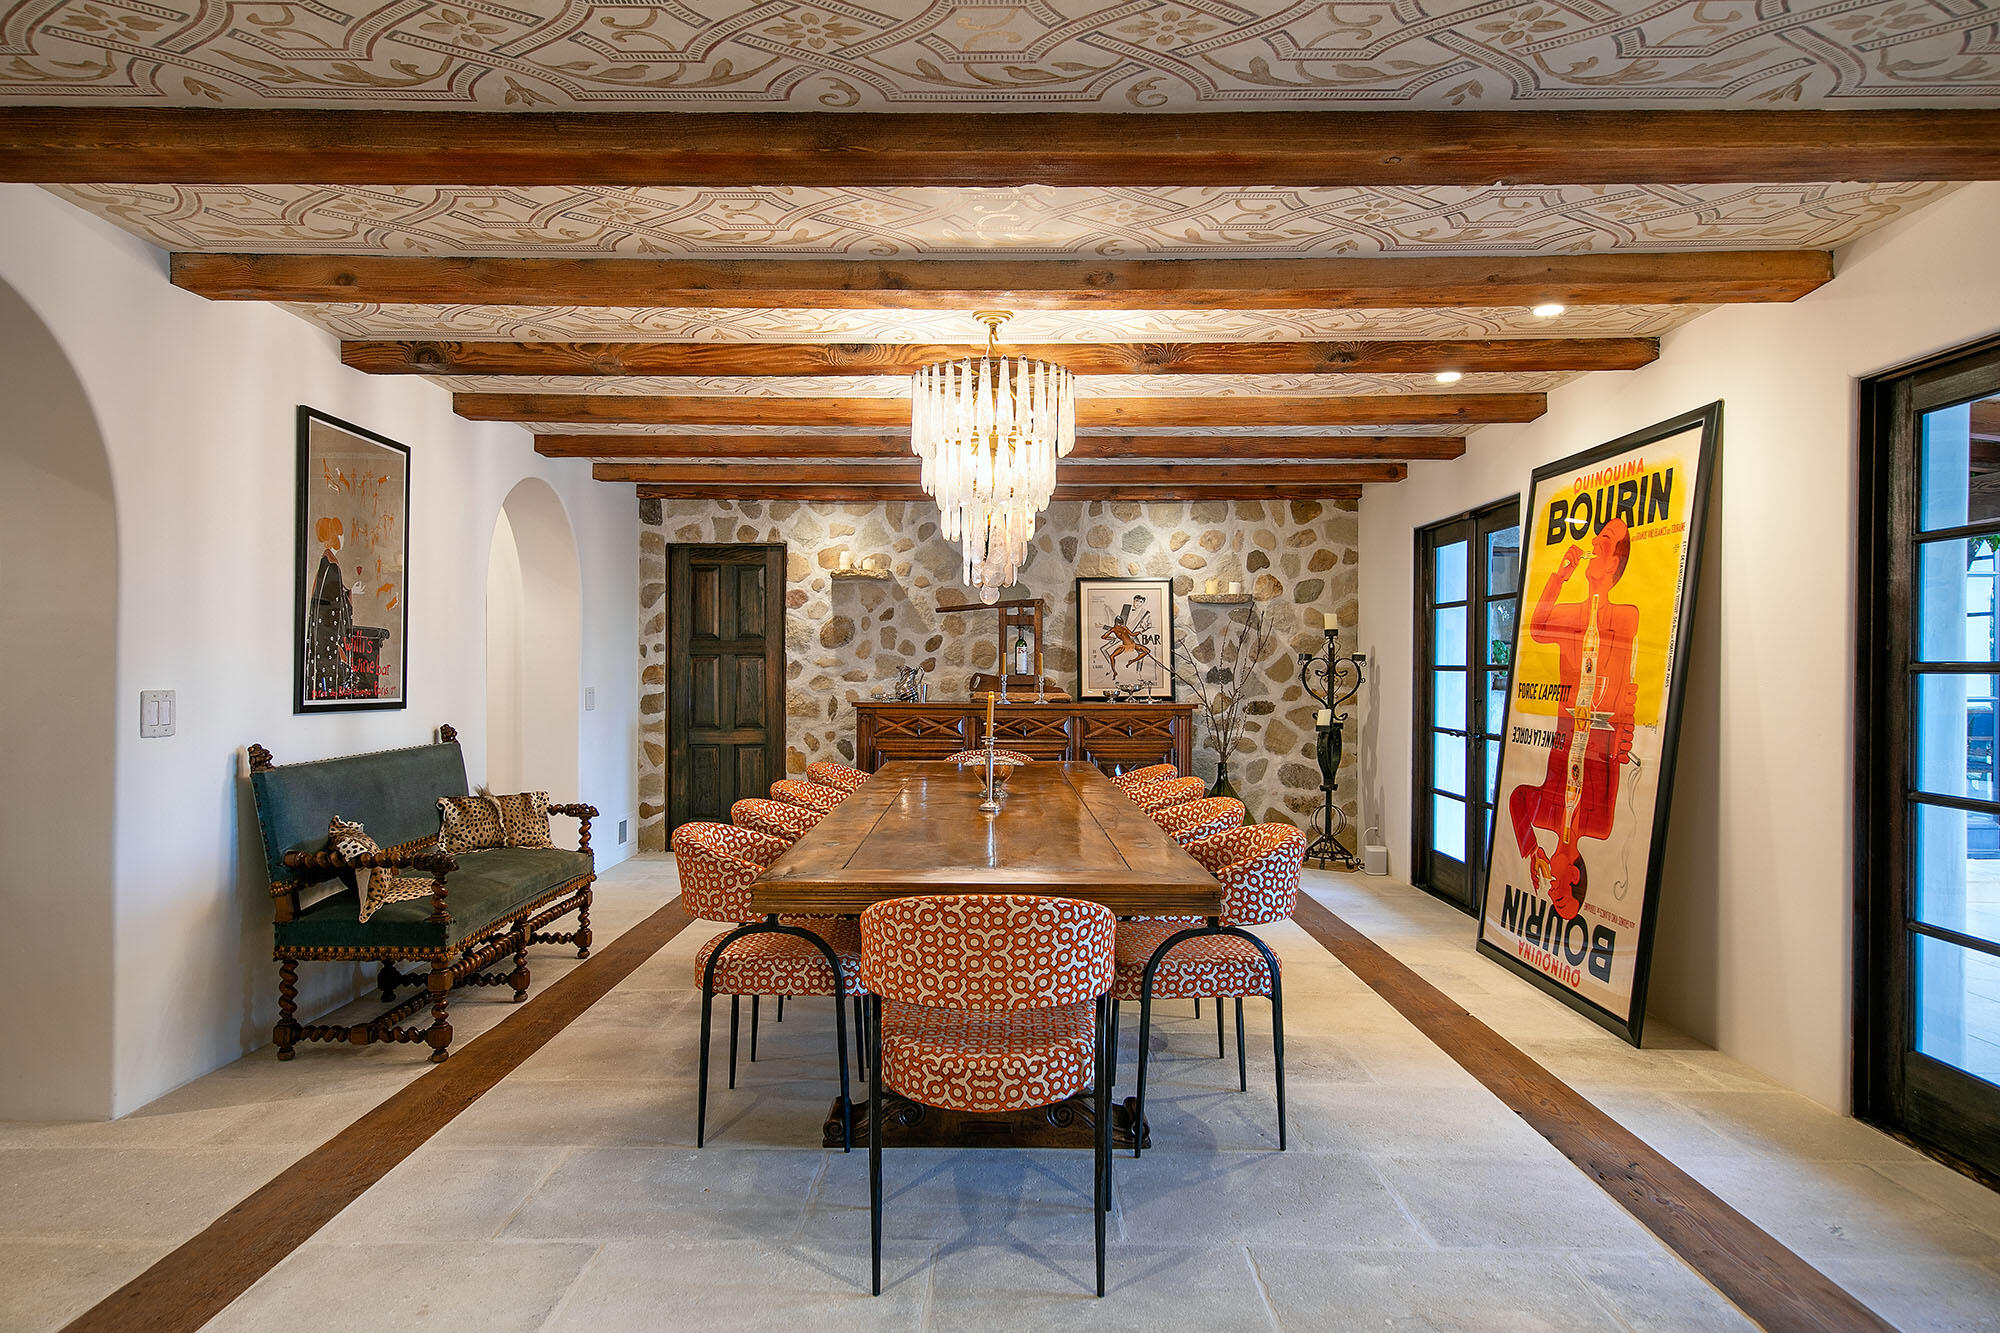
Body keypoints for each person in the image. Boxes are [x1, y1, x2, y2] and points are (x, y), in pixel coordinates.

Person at [1506, 518, 1640, 920]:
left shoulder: (1626, 617)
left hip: (1574, 734)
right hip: (1593, 737)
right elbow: (1539, 626)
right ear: (1577, 879)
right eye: (1564, 895)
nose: (1553, 889)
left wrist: (1531, 849)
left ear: (1615, 563)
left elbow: (1518, 799)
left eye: (1605, 542)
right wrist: (1561, 573)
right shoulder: (1600, 825)